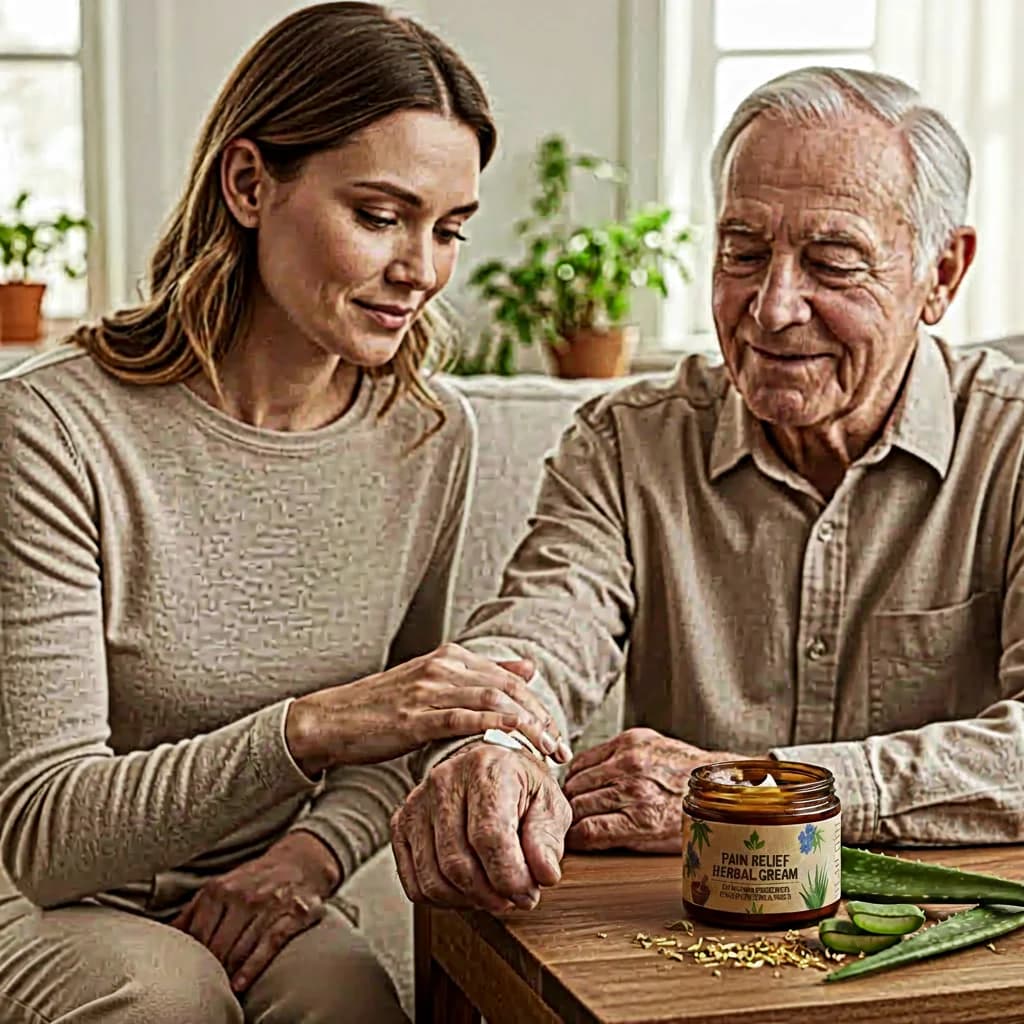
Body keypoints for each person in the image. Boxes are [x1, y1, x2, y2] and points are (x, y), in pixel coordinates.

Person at [0, 4, 571, 1022]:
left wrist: (307, 857)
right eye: (380, 215)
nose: (422, 270)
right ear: (250, 183)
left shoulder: (428, 433)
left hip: (262, 882)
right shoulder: (53, 427)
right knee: (164, 999)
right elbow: (46, 833)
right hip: (49, 897)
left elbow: (401, 736)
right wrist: (314, 726)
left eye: (448, 229)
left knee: (349, 997)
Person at [391, 66, 1024, 913]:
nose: (771, 308)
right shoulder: (627, 442)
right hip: (683, 934)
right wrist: (502, 745)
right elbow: (543, 628)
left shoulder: (1013, 445)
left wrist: (757, 792)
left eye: (833, 263)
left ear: (943, 273)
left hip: (949, 936)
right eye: (743, 253)